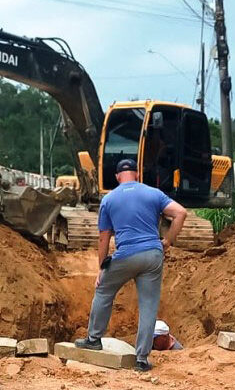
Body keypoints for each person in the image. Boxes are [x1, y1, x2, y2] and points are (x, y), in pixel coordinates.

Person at [74, 158, 187, 371]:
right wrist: (167, 241)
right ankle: (142, 359)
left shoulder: (109, 199)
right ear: (137, 174)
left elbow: (103, 238)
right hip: (152, 255)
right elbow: (180, 213)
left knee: (104, 290)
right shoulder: (154, 193)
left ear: (117, 177)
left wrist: (102, 268)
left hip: (125, 255)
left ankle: (93, 339)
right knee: (148, 306)